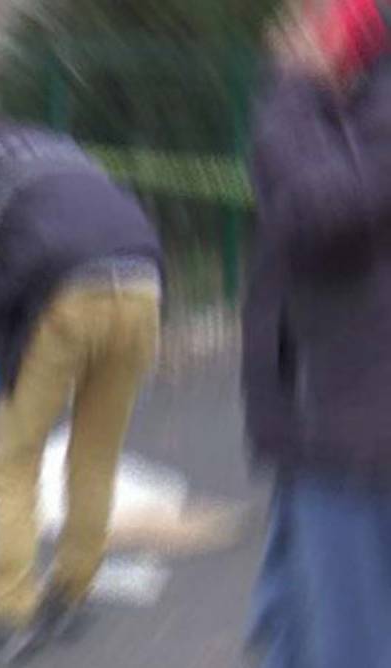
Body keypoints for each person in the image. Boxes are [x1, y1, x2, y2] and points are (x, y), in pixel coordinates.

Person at [0, 98, 163, 663]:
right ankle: (72, 595)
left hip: (64, 297)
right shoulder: (69, 153)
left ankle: (10, 614)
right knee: (95, 454)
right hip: (143, 286)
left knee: (17, 462)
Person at [244, 1, 391, 665]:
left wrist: (296, 88)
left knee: (345, 640)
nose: (285, 38)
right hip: (323, 424)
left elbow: (319, 211)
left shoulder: (363, 113)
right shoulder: (351, 111)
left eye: (304, 25)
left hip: (352, 439)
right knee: (296, 623)